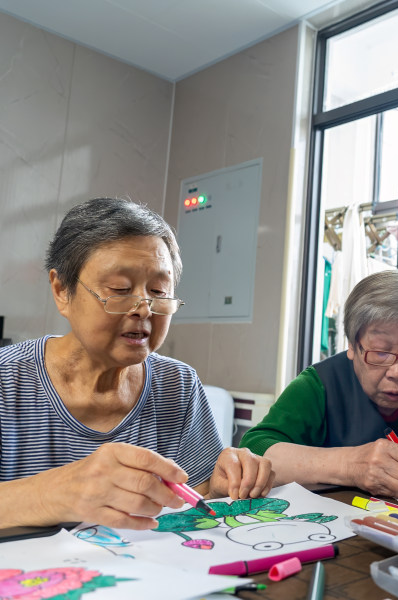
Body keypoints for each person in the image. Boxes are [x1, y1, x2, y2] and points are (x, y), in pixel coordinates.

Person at [0, 198, 275, 530]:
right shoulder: (7, 379)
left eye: (159, 290)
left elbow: (195, 498)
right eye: (119, 288)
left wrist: (219, 484)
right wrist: (54, 494)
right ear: (62, 291)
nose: (144, 308)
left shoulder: (178, 384)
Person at [240, 270, 398, 498]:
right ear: (352, 345)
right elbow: (255, 450)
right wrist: (350, 465)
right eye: (381, 352)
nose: (397, 371)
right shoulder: (321, 385)